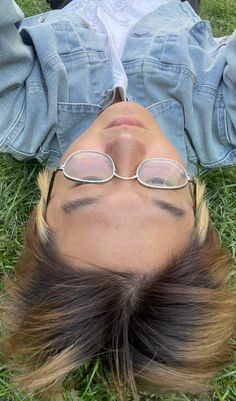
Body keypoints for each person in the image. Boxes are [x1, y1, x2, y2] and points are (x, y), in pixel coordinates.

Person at [1, 0, 236, 400]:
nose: (126, 143)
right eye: (160, 183)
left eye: (89, 178)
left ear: (45, 206)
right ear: (196, 209)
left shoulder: (19, 114)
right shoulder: (219, 120)